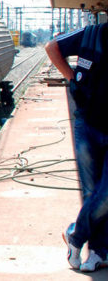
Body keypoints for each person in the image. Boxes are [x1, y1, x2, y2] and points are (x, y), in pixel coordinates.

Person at [45, 23, 108, 272]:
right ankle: (98, 251)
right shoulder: (91, 34)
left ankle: (74, 235)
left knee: (104, 196)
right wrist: (72, 78)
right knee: (92, 194)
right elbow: (52, 47)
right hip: (88, 123)